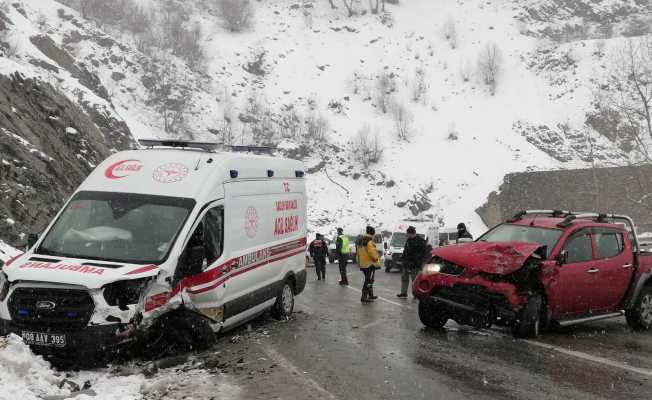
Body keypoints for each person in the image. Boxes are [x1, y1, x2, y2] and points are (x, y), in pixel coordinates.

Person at [397, 226, 428, 298]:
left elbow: (423, 253)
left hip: (415, 264)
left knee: (415, 280)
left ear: (411, 233)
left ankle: (416, 294)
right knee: (404, 278)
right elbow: (405, 251)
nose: (406, 235)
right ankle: (403, 293)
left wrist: (417, 262)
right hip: (406, 263)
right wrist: (402, 258)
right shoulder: (408, 240)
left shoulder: (420, 241)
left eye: (407, 234)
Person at [357, 226, 380, 303]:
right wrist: (376, 258)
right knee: (368, 281)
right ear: (372, 233)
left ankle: (370, 295)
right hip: (369, 264)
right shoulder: (369, 241)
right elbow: (372, 252)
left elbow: (358, 252)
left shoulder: (361, 240)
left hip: (363, 263)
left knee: (369, 279)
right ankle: (364, 296)